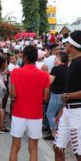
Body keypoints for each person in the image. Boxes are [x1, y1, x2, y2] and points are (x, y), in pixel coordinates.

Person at [9, 45, 50, 161]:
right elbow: (46, 98)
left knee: (15, 146)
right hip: (36, 114)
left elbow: (13, 95)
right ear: (36, 58)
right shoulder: (44, 75)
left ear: (25, 57)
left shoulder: (16, 72)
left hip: (18, 113)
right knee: (33, 148)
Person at [54, 30, 81, 161]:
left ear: (72, 45)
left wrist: (68, 96)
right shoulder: (71, 62)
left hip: (78, 112)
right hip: (68, 110)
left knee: (78, 152)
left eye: (67, 43)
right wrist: (62, 109)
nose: (65, 46)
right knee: (58, 147)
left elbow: (70, 93)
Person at [44, 52, 68, 141]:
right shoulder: (68, 68)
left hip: (56, 95)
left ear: (59, 58)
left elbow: (49, 82)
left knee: (50, 113)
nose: (54, 59)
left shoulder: (56, 68)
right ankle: (60, 133)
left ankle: (54, 133)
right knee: (59, 115)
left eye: (56, 58)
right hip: (65, 95)